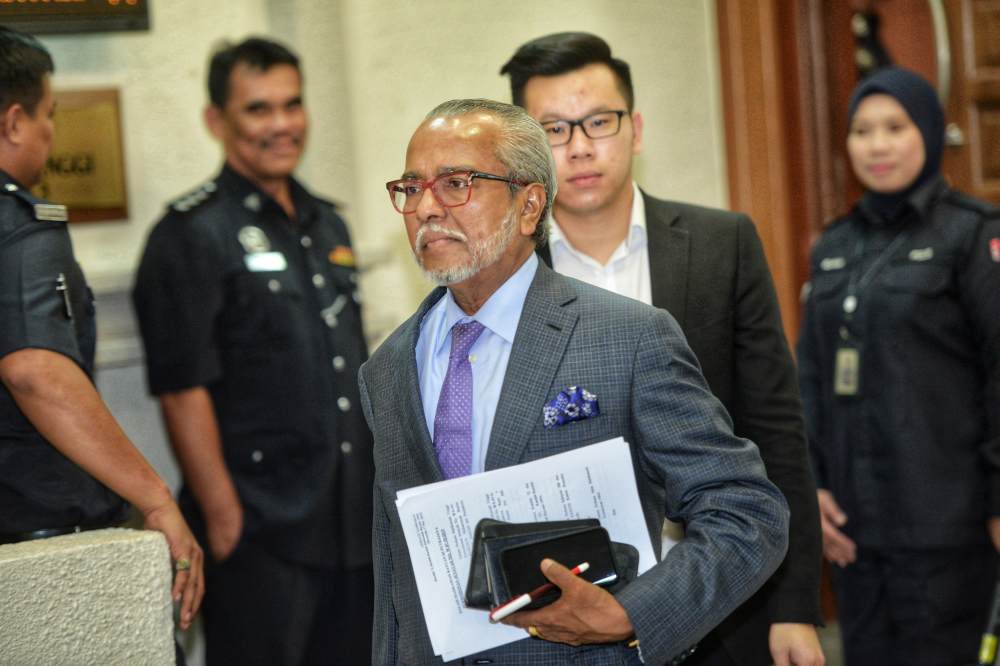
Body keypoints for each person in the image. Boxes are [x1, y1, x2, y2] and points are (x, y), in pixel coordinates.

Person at [360, 98, 790, 665]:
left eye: (456, 183)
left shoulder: (628, 337)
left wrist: (634, 614)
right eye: (411, 189)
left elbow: (746, 510)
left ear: (529, 204)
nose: (427, 208)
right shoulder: (388, 367)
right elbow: (396, 573)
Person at [500, 32, 824, 666]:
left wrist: (795, 607)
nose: (582, 147)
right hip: (561, 601)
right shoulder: (509, 269)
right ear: (527, 154)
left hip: (718, 590)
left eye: (599, 121)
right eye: (554, 131)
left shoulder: (719, 244)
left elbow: (775, 429)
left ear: (636, 128)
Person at [132, 37, 373, 665]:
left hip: (349, 522)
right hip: (260, 529)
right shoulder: (188, 235)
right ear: (217, 120)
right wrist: (223, 520)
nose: (283, 125)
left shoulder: (329, 223)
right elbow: (182, 386)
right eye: (259, 109)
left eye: (293, 105)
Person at [0, 26, 203, 630]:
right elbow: (35, 369)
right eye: (48, 116)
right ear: (14, 122)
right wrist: (155, 497)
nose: (50, 133)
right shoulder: (21, 227)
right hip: (39, 543)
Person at [797, 67, 1000, 664]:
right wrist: (813, 485)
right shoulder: (834, 245)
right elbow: (809, 377)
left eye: (894, 127)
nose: (877, 145)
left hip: (951, 528)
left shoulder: (972, 233)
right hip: (857, 533)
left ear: (931, 133)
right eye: (862, 130)